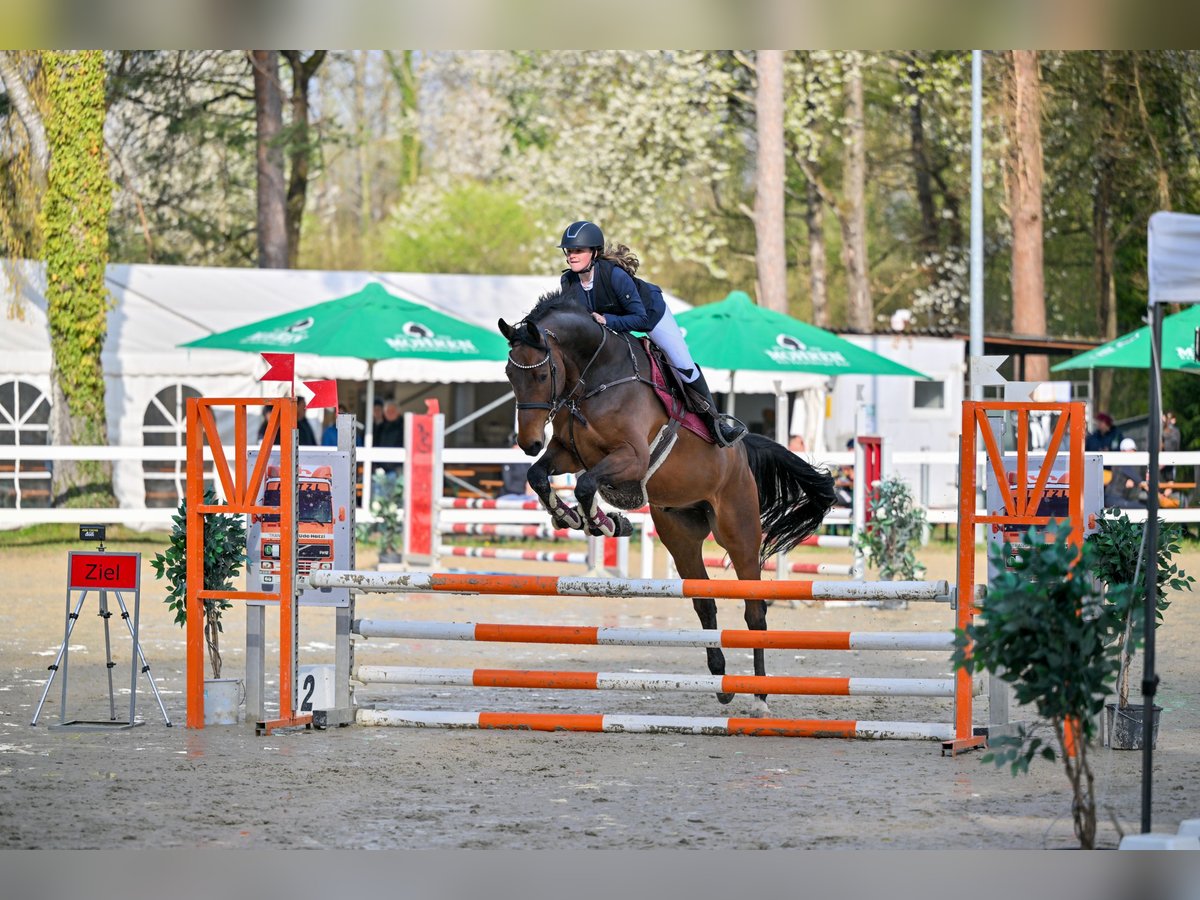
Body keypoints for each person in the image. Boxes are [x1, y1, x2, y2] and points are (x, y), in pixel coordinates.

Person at [556, 220, 746, 447]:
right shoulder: (568, 281)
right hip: (610, 326)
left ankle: (716, 423)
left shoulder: (615, 276)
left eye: (578, 250)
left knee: (682, 363)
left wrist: (607, 320)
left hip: (651, 315)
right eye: (569, 251)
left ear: (594, 252)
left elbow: (641, 318)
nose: (572, 256)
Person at [1103, 437, 1143, 509]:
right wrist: (1137, 482)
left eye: (1133, 450)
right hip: (1114, 500)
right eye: (1130, 450)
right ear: (1123, 451)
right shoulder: (1123, 464)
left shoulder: (1122, 464)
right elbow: (1139, 480)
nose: (1133, 453)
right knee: (1144, 508)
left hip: (1114, 499)